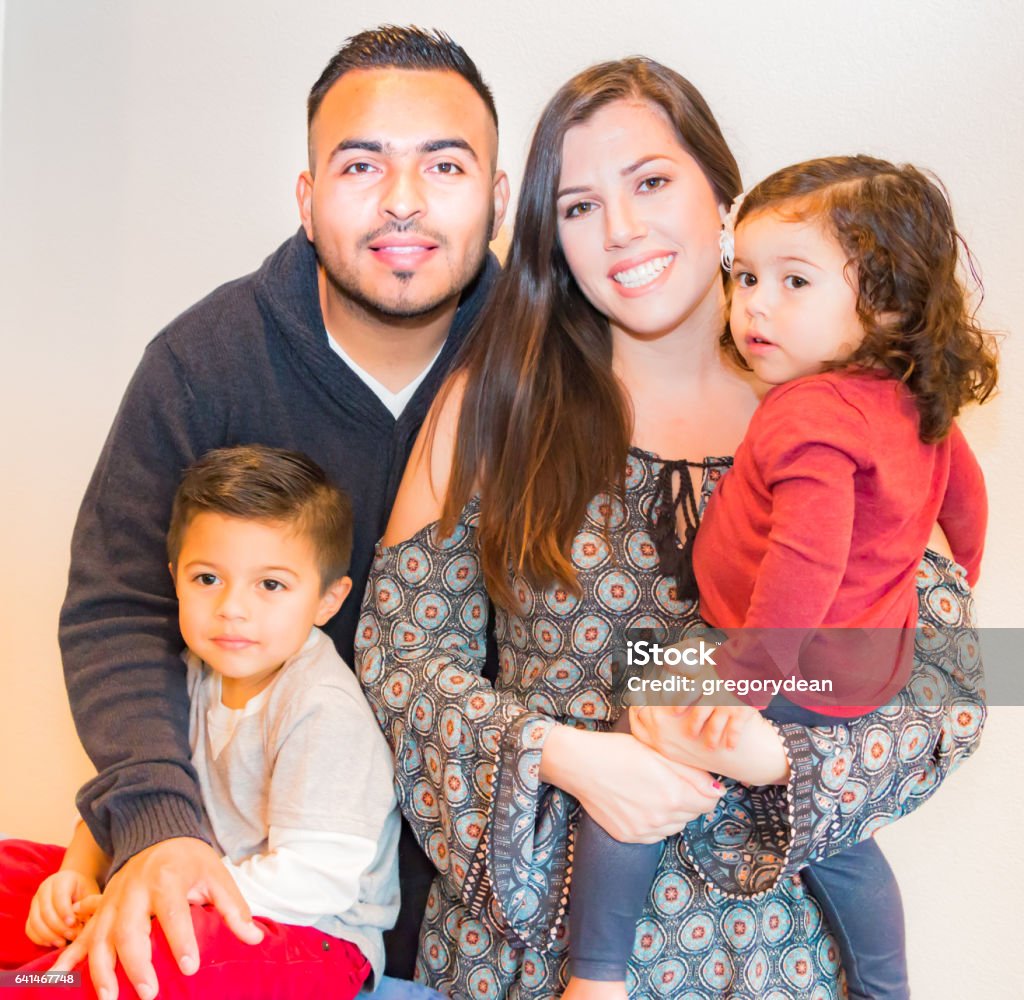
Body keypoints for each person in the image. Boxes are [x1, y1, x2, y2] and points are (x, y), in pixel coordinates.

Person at [355, 58, 986, 999]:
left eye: (651, 181)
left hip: (773, 963)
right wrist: (567, 758)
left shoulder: (851, 412)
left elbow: (957, 676)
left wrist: (785, 756)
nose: (620, 229)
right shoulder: (493, 411)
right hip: (533, 962)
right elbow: (399, 661)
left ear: (725, 200)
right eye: (577, 206)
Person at [54, 24, 509, 999]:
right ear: (307, 199)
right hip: (262, 909)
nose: (401, 199)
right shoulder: (201, 366)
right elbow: (116, 609)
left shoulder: (564, 374)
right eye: (360, 164)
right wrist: (160, 831)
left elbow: (674, 627)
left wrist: (711, 709)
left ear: (498, 198)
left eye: (443, 164)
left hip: (511, 917)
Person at [567, 156, 998, 1000]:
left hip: (785, 657)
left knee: (639, 720)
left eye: (794, 281)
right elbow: (967, 502)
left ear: (887, 306)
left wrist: (745, 680)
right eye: (747, 276)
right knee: (838, 840)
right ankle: (886, 988)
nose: (755, 304)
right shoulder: (912, 400)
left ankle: (597, 978)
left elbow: (808, 556)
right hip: (871, 660)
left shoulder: (809, 412)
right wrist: (955, 574)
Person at [3, 445, 400, 998]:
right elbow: (129, 796)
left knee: (122, 970)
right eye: (208, 579)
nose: (232, 607)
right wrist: (75, 873)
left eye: (270, 585)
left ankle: (36, 984)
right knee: (12, 871)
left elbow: (317, 880)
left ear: (328, 600)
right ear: (175, 578)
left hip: (308, 936)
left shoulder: (323, 709)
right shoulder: (184, 677)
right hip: (189, 894)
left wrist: (160, 900)